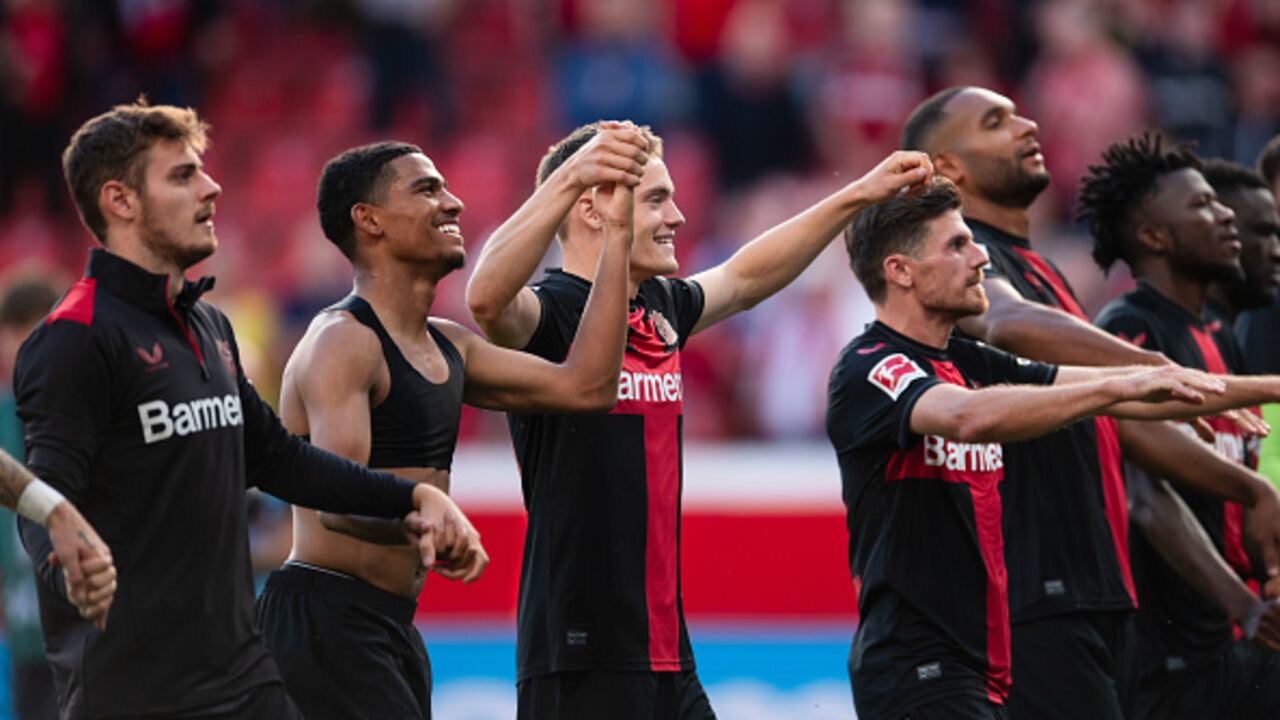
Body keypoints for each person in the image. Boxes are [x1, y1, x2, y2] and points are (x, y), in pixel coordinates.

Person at [14, 99, 487, 719]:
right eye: (182, 176)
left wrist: (410, 500)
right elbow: (44, 492)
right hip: (136, 691)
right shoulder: (75, 337)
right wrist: (59, 554)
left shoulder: (208, 324)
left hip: (243, 679)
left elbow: (276, 456)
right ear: (119, 201)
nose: (211, 188)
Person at [465, 120, 932, 717]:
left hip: (667, 650)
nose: (678, 217)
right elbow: (486, 300)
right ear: (592, 208)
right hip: (580, 647)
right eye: (657, 199)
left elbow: (744, 278)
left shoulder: (660, 308)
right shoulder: (550, 316)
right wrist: (575, 173)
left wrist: (858, 193)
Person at [829, 180, 1280, 720]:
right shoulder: (872, 366)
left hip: (981, 671)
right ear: (900, 270)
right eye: (957, 245)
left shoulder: (971, 361)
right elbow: (967, 417)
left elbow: (1125, 390)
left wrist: (1262, 388)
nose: (979, 258)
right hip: (917, 669)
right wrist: (1120, 386)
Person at [256, 138, 636, 719]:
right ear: (370, 220)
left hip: (389, 625)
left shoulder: (449, 343)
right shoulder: (342, 343)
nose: (453, 203)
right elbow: (333, 500)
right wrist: (425, 517)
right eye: (427, 189)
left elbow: (587, 387)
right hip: (325, 620)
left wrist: (617, 239)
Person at [1084, 132, 1280, 719]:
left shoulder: (1218, 337)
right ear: (1154, 236)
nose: (1224, 217)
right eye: (1202, 206)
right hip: (1167, 656)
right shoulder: (1131, 330)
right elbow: (1145, 494)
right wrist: (1242, 607)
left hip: (1226, 640)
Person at [0, 275, 66, 720]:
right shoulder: (3, 419)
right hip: (26, 638)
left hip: (87, 635)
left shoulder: (88, 411)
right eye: (10, 333)